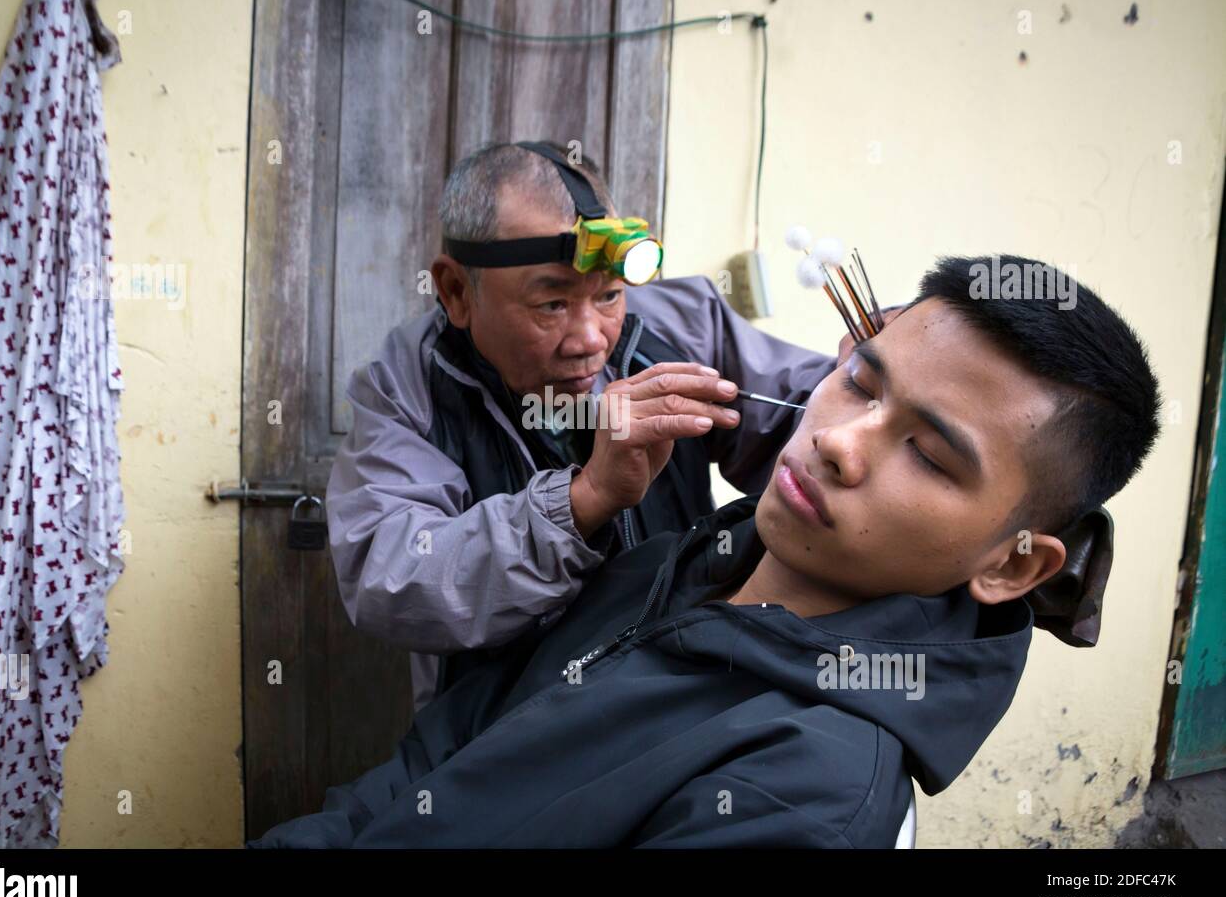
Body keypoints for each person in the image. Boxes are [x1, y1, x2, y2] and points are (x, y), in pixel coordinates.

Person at [250, 255, 1162, 848]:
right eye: (855, 381)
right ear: (454, 292)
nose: (840, 440)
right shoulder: (673, 567)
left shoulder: (799, 797)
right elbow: (429, 763)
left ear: (1012, 565)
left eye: (928, 452)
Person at [328, 140, 840, 708]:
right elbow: (392, 578)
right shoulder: (406, 391)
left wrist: (869, 382)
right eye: (551, 304)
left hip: (683, 693)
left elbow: (803, 417)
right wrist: (584, 500)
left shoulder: (682, 328)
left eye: (610, 295)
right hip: (506, 730)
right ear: (455, 291)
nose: (592, 339)